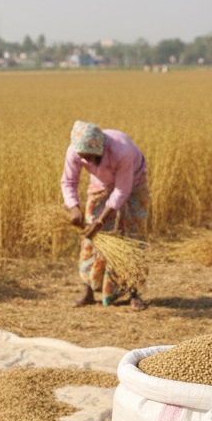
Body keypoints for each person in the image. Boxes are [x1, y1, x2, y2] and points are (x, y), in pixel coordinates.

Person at [61, 120, 149, 311]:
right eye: (83, 157)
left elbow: (122, 190)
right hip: (100, 185)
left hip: (133, 183)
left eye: (90, 156)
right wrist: (74, 208)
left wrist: (101, 220)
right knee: (90, 239)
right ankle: (88, 290)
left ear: (100, 149)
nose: (86, 160)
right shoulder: (75, 152)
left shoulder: (122, 150)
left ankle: (134, 292)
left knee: (132, 237)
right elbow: (68, 182)